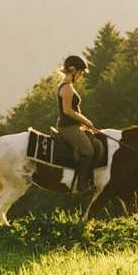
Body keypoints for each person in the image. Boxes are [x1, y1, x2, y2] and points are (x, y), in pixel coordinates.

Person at [54, 55, 99, 193]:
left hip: (73, 125)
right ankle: (82, 185)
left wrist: (83, 123)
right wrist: (86, 121)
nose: (81, 76)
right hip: (67, 127)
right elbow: (68, 110)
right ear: (73, 70)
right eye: (81, 72)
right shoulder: (67, 87)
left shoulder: (67, 86)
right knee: (88, 151)